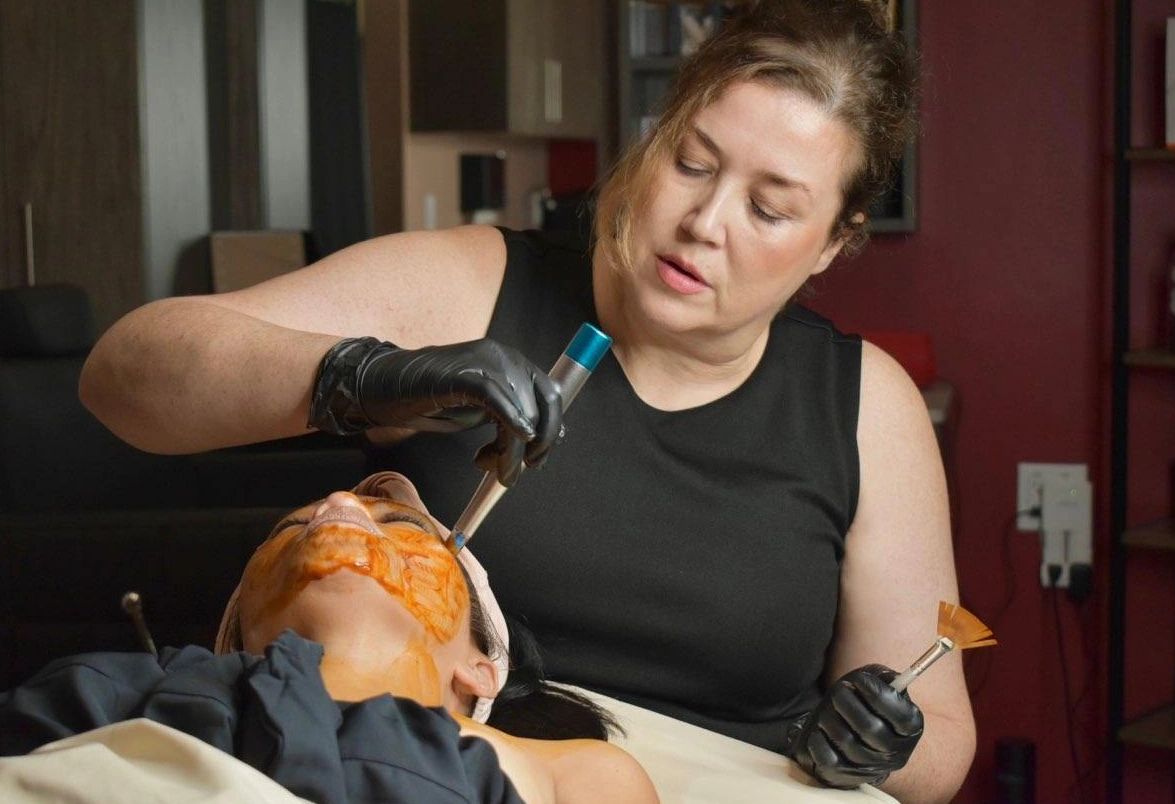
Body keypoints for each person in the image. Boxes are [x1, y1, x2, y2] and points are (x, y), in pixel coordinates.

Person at [79, 0, 975, 800]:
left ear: (833, 243)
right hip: (436, 777)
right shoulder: (470, 286)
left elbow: (939, 742)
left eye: (769, 210)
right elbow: (121, 377)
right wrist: (361, 378)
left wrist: (878, 744)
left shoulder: (867, 409)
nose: (704, 224)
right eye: (691, 163)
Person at [0, 472, 657, 804]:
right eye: (292, 531)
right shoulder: (122, 692)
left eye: (399, 528)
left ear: (481, 668)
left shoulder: (567, 770)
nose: (338, 505)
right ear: (235, 645)